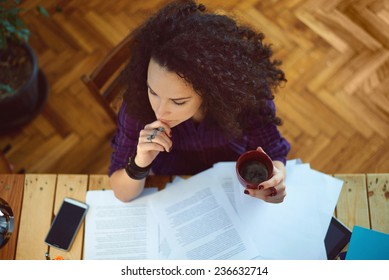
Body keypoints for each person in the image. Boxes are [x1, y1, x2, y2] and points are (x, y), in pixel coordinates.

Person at [108, 0, 290, 204]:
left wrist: (275, 181)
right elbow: (121, 192)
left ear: (210, 90)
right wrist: (140, 163)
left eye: (178, 102)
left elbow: (273, 150)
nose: (159, 112)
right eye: (153, 91)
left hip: (231, 185)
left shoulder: (246, 98)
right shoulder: (137, 105)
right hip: (173, 189)